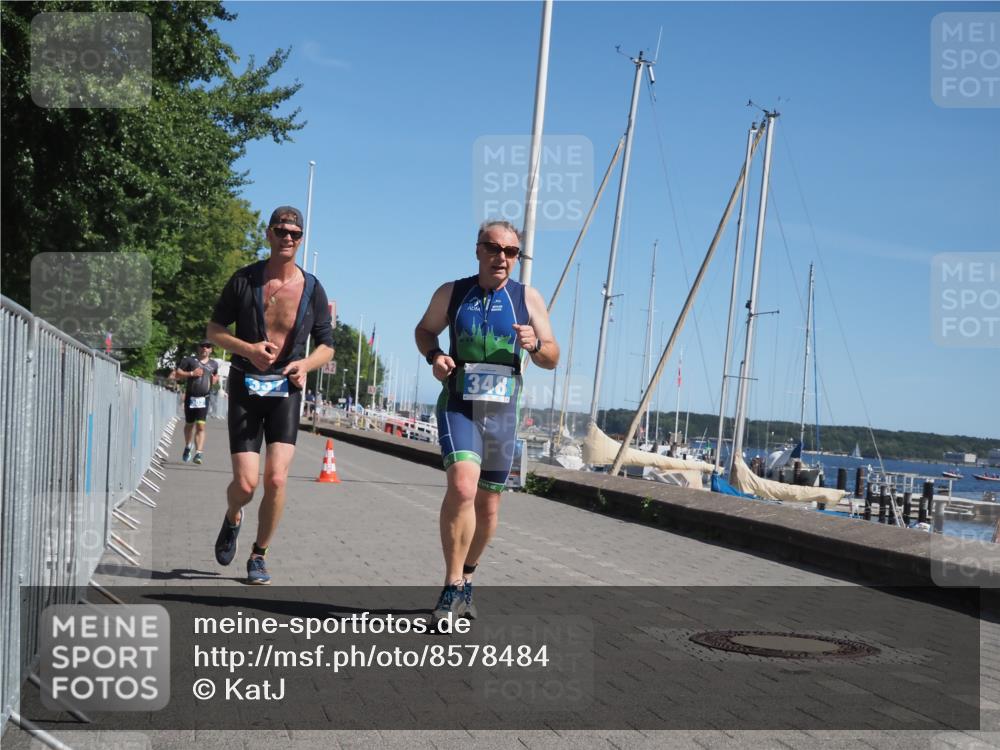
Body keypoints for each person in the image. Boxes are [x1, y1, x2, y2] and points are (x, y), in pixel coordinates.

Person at [414, 219, 559, 622]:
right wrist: (435, 356)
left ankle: (469, 575)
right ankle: (451, 586)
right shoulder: (452, 292)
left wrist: (536, 345)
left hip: (501, 413)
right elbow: (425, 331)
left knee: (488, 506)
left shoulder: (528, 298)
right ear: (478, 249)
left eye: (511, 252)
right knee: (462, 487)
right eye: (494, 248)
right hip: (459, 405)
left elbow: (553, 357)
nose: (502, 258)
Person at [206, 205, 334, 584]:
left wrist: (306, 365)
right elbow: (213, 330)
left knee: (276, 479)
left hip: (286, 391)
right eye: (281, 231)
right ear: (269, 234)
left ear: (301, 238)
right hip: (246, 385)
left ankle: (259, 553)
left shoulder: (312, 288)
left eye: (295, 233)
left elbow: (327, 345)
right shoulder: (244, 280)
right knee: (246, 485)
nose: (288, 238)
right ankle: (233, 517)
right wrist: (246, 349)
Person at [173, 341, 220, 464]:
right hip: (191, 397)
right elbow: (177, 374)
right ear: (198, 348)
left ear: (211, 350)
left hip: (204, 398)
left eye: (208, 346)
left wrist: (215, 380)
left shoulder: (214, 364)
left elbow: (215, 375)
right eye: (203, 346)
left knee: (201, 425)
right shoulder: (189, 360)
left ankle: (199, 453)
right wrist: (192, 373)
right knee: (189, 424)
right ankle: (188, 446)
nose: (205, 348)